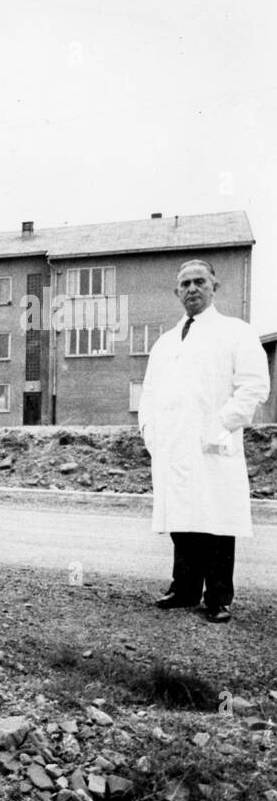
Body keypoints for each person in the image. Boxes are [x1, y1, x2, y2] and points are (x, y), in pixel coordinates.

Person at [137, 259, 270, 623]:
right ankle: (184, 589)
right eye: (185, 284)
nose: (192, 289)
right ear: (176, 292)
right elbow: (148, 393)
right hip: (172, 445)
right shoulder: (165, 342)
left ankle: (218, 598)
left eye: (199, 282)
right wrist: (150, 430)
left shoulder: (236, 332)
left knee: (216, 520)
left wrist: (221, 425)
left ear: (215, 286)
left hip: (213, 444)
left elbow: (254, 386)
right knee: (182, 518)